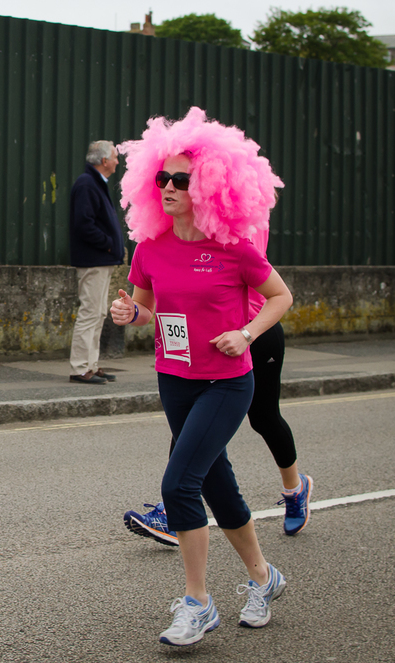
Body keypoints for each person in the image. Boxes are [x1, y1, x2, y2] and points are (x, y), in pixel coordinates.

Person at [110, 107, 293, 646]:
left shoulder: (233, 247)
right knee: (216, 483)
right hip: (175, 378)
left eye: (180, 180)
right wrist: (131, 315)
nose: (166, 186)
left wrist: (249, 333)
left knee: (178, 483)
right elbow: (145, 309)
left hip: (227, 381)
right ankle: (264, 577)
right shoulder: (150, 248)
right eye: (161, 177)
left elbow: (281, 296)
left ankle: (198, 603)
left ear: (209, 187)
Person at [124, 224, 312, 544]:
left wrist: (247, 333)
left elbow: (277, 292)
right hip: (203, 342)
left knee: (264, 419)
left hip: (254, 331)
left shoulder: (241, 220)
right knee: (193, 429)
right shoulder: (171, 233)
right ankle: (176, 507)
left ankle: (295, 488)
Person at [68, 140, 124, 385]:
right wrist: (109, 243)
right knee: (91, 313)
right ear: (104, 161)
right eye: (114, 157)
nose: (117, 162)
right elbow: (84, 225)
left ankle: (90, 365)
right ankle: (81, 368)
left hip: (100, 259)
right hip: (94, 259)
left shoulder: (94, 183)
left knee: (98, 313)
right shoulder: (88, 184)